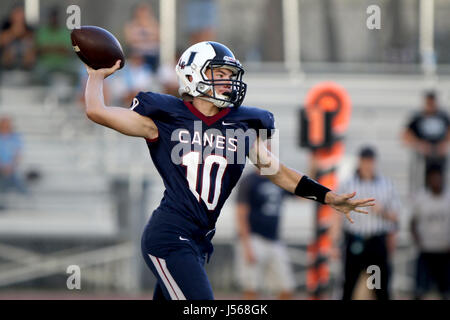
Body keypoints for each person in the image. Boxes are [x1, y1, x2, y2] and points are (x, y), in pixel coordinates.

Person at [83, 41, 375, 300]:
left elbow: (279, 173)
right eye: (219, 74)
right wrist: (96, 75)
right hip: (170, 236)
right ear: (192, 74)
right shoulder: (165, 118)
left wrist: (327, 197)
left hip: (198, 241)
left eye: (230, 75)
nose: (227, 81)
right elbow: (98, 111)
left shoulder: (241, 127)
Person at [333, 146, 400, 300]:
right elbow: (336, 214)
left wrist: (382, 211)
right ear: (359, 162)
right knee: (349, 284)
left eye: (370, 161)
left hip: (376, 242)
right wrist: (334, 242)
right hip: (354, 240)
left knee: (378, 286)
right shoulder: (347, 184)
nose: (368, 165)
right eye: (365, 161)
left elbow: (395, 216)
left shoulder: (386, 185)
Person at [235, 168, 295, 300]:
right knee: (252, 288)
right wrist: (246, 245)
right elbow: (241, 214)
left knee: (286, 287)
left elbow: (300, 191)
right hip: (254, 238)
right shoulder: (249, 181)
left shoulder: (278, 178)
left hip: (274, 239)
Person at [410, 165, 450, 300]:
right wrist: (418, 241)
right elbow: (413, 222)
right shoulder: (421, 198)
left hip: (445, 252)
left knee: (446, 291)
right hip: (426, 251)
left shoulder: (448, 197)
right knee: (419, 290)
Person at [402, 91, 450, 187]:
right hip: (422, 157)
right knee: (420, 178)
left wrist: (444, 144)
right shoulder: (418, 117)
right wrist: (419, 145)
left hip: (439, 156)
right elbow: (405, 135)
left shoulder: (442, 116)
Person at [34, 7, 76, 84]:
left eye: (55, 17)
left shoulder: (64, 32)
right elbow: (39, 50)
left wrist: (49, 48)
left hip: (63, 64)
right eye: (52, 17)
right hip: (46, 64)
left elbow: (67, 51)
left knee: (76, 72)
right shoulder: (42, 32)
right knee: (38, 74)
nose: (54, 19)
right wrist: (57, 48)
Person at [124, 3, 160, 72]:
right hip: (137, 55)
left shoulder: (154, 24)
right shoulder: (131, 25)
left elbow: (158, 38)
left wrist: (140, 38)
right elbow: (129, 40)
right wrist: (148, 38)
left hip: (151, 55)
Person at [0, 5, 35, 70]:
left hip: (25, 62)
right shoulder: (5, 27)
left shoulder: (29, 29)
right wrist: (13, 33)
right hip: (8, 63)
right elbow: (2, 40)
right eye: (17, 14)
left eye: (20, 15)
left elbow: (32, 42)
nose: (19, 17)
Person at [0, 116, 27, 194]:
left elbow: (18, 153)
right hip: (1, 167)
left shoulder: (15, 137)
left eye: (8, 124)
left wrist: (11, 166)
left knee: (12, 176)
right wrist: (2, 166)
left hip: (11, 167)